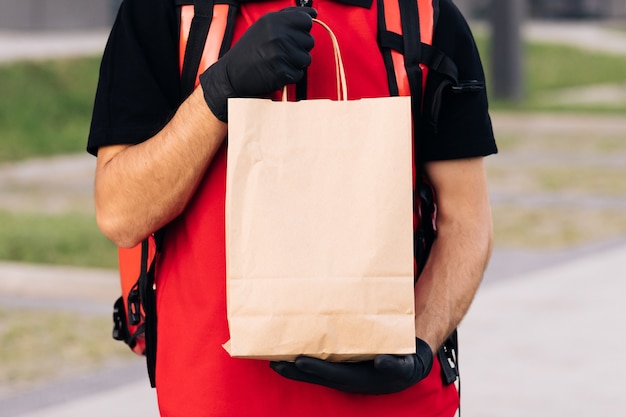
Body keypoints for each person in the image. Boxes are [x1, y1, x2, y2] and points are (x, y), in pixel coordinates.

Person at [88, 0, 497, 415]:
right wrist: (219, 90)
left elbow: (466, 220)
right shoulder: (165, 12)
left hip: (393, 401)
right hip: (218, 398)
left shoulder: (423, 16)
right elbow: (121, 213)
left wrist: (421, 345)